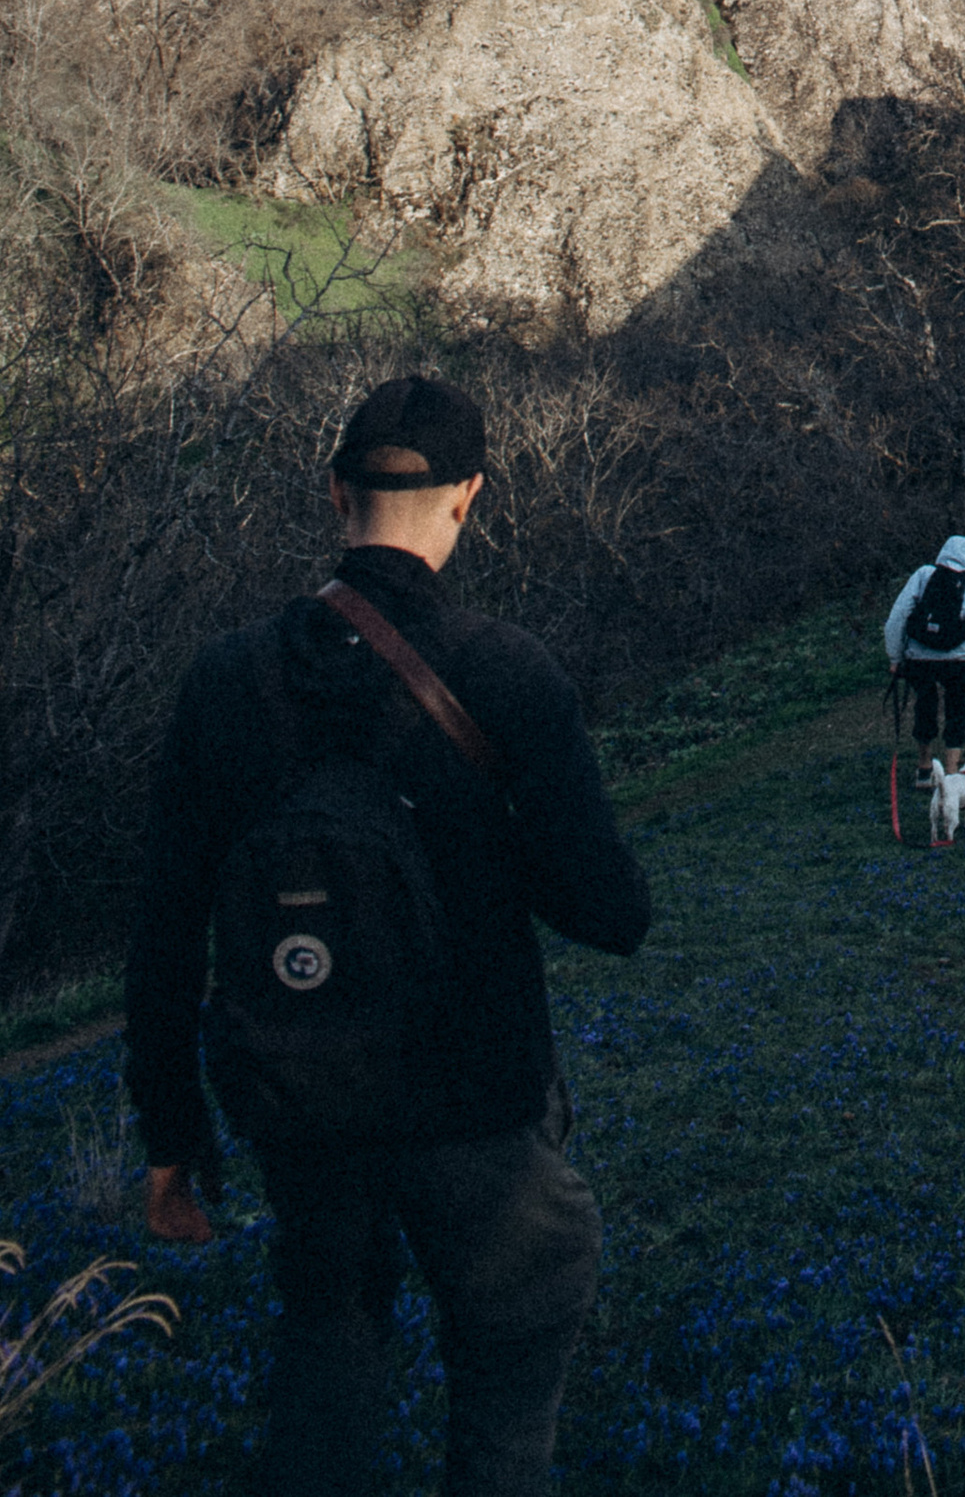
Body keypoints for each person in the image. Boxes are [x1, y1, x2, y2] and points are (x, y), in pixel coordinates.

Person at [127, 373, 652, 1497]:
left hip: (299, 1105)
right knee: (506, 1413)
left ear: (333, 493)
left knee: (325, 1373)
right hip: (477, 1105)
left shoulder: (226, 681)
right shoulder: (505, 672)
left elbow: (164, 933)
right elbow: (612, 915)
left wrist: (172, 1142)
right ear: (469, 499)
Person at [883, 533, 965, 775]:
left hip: (919, 658)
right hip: (960, 660)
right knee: (956, 709)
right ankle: (951, 772)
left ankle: (924, 767)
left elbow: (896, 619)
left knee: (924, 705)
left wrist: (895, 658)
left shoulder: (923, 575)